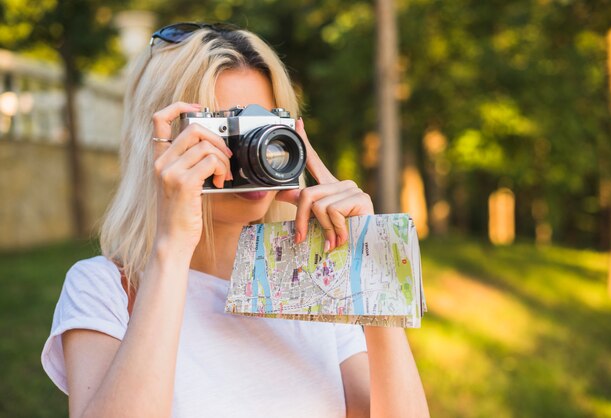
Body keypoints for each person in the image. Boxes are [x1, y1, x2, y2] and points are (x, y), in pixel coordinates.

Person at [41, 22, 430, 418]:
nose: (255, 154)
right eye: (226, 133)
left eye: (265, 129)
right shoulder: (106, 289)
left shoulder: (315, 278)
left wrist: (369, 262)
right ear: (161, 145)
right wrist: (172, 248)